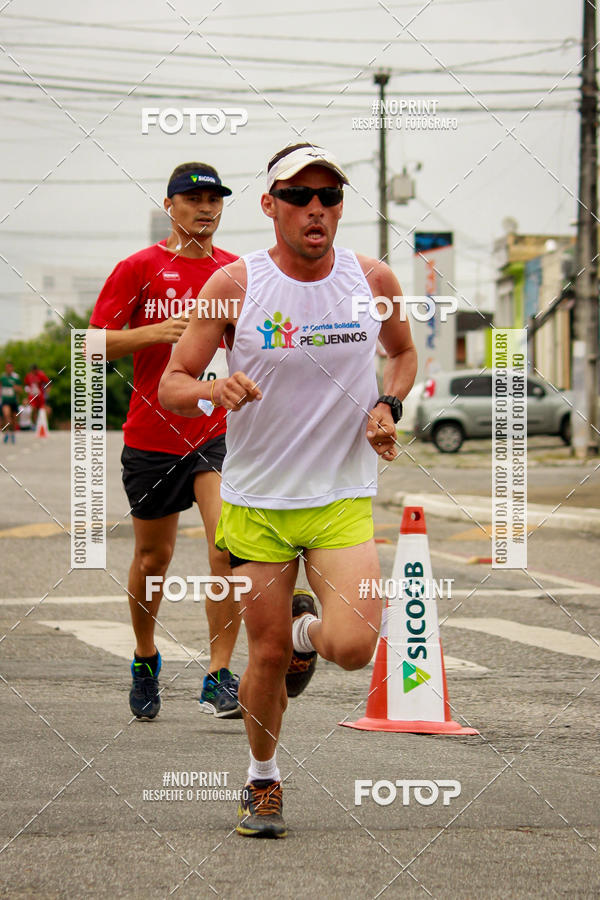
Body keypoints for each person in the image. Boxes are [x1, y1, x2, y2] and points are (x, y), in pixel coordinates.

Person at [158, 143, 418, 838]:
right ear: (269, 205)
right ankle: (263, 781)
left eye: (329, 197)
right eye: (299, 196)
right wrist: (214, 386)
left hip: (337, 495)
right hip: (257, 501)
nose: (316, 209)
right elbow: (173, 383)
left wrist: (388, 408)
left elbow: (401, 352)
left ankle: (311, 634)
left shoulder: (372, 278)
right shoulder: (234, 287)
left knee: (356, 646)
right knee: (264, 656)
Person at [89, 162, 246, 721]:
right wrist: (152, 333)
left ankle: (219, 674)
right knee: (154, 558)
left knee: (225, 544)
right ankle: (145, 656)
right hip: (152, 436)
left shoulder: (234, 272)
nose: (206, 208)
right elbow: (90, 346)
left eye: (215, 199)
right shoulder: (138, 268)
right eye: (194, 198)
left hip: (216, 432)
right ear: (170, 205)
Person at [1, 361, 22, 443]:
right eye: (7, 367)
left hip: (14, 401)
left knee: (13, 420)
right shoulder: (3, 377)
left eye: (10, 367)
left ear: (12, 368)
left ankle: (12, 433)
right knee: (6, 416)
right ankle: (6, 433)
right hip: (5, 401)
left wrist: (15, 388)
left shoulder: (16, 377)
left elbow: (20, 390)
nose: (8, 369)